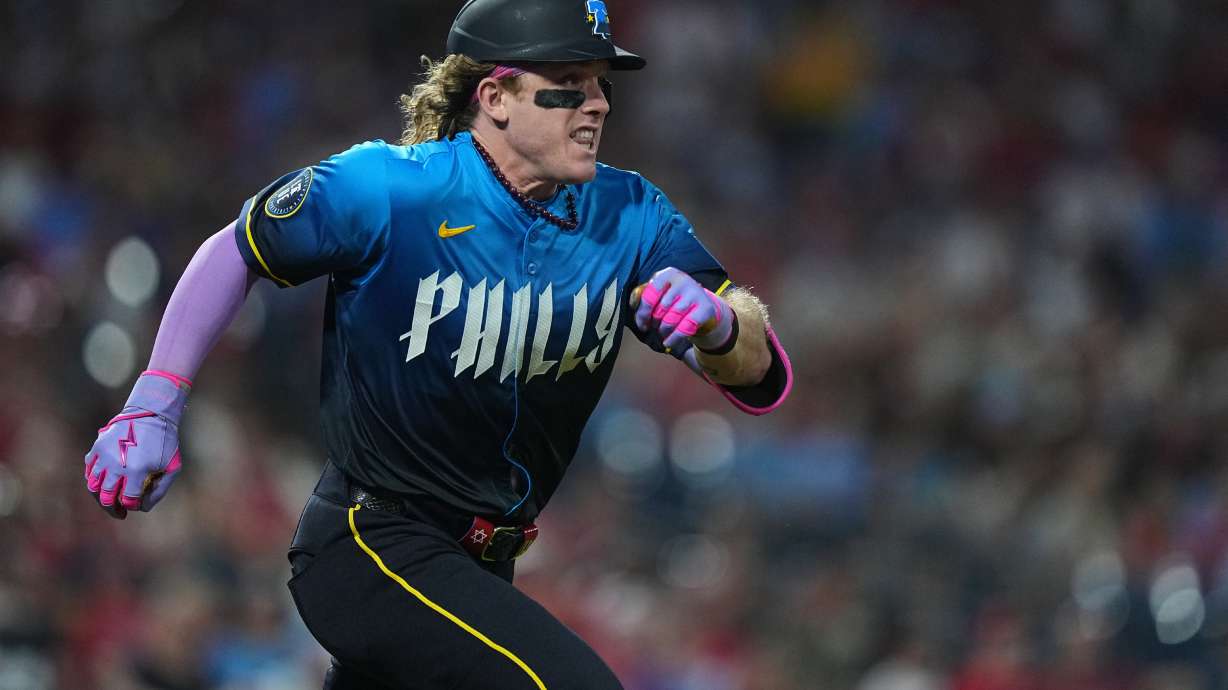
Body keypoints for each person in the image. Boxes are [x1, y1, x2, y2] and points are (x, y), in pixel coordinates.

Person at [82, 0, 793, 687]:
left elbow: (760, 378)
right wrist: (156, 400)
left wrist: (722, 323)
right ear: (496, 97)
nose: (598, 104)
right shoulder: (393, 188)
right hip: (369, 545)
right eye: (568, 86)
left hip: (482, 563)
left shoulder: (632, 214)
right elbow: (240, 248)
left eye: (600, 85)